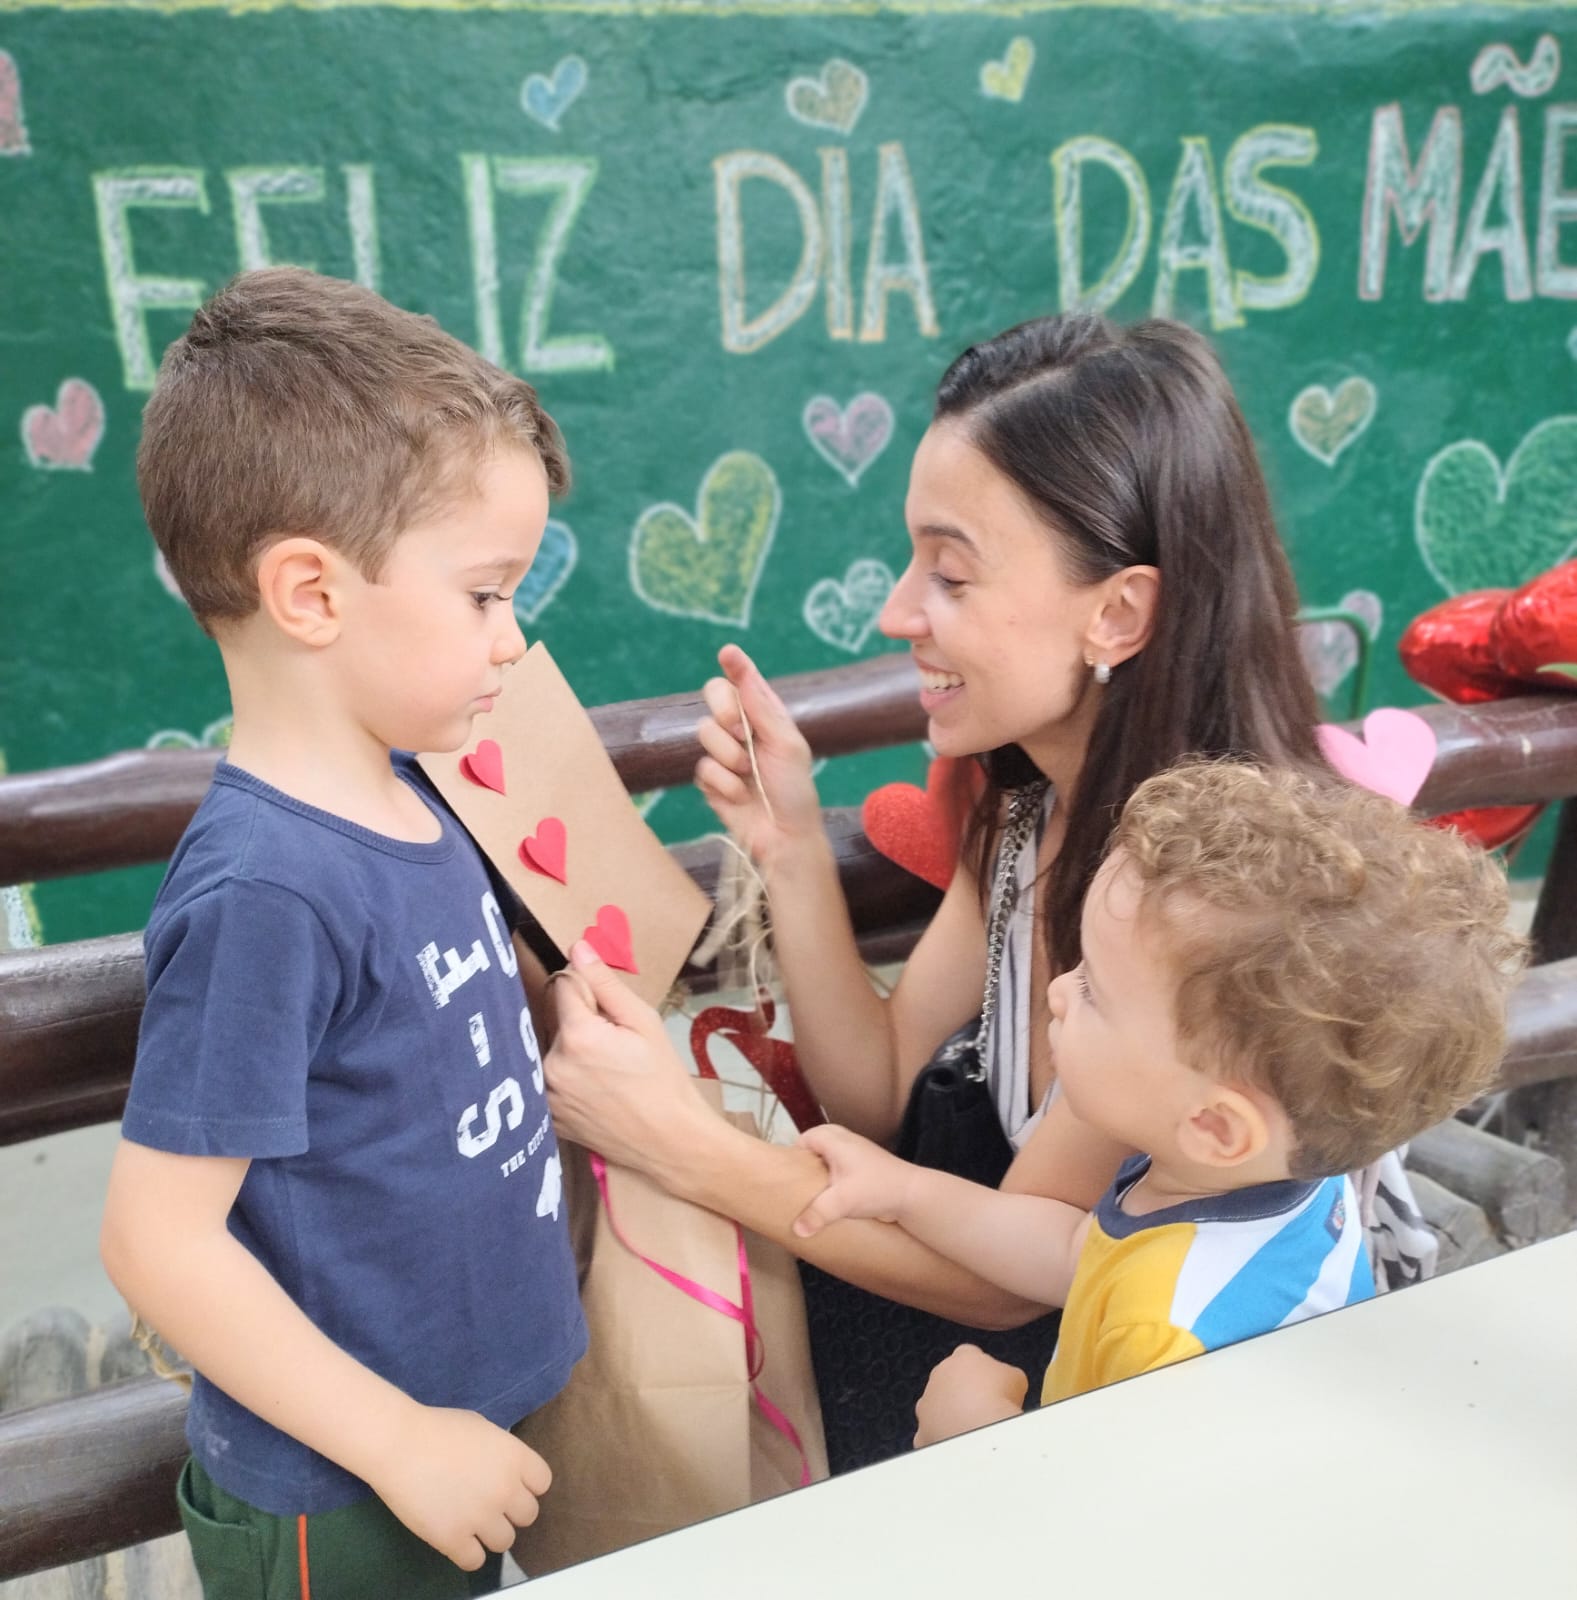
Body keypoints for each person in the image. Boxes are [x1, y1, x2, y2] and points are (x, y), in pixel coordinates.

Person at [542, 312, 1380, 1472]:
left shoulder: (1188, 917)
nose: (898, 612)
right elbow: (878, 1090)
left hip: (1053, 1388)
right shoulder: (1025, 794)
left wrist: (679, 1144)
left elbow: (1007, 1287)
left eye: (948, 572)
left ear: (1117, 612)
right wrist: (787, 844)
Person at [99, 267, 585, 1600]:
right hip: (351, 1499)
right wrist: (398, 1441)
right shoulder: (267, 892)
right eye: (485, 594)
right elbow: (158, 1239)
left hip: (471, 1442)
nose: (511, 638)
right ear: (309, 594)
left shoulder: (413, 785)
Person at [789, 759, 1525, 1445]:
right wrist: (905, 1191)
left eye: (1094, 994)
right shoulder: (1269, 1178)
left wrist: (976, 1437)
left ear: (1213, 1124)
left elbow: (1104, 1543)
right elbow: (1074, 1252)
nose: (1056, 991)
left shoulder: (1166, 1340)